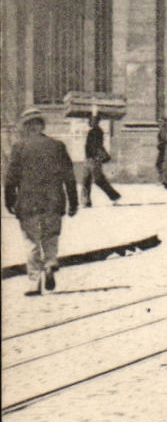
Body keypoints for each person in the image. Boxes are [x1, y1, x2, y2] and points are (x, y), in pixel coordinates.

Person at [5, 110, 78, 296]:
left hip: (28, 202)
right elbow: (69, 177)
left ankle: (34, 281)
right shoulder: (57, 146)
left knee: (31, 241)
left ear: (26, 127)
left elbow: (10, 178)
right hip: (54, 201)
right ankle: (50, 262)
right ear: (42, 126)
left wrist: (9, 200)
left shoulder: (19, 147)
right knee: (51, 236)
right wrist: (73, 202)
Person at [80, 113, 122, 206]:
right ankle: (86, 201)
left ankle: (115, 196)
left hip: (94, 159)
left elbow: (97, 146)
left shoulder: (97, 131)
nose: (89, 122)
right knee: (86, 180)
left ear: (96, 122)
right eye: (89, 120)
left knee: (98, 179)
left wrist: (98, 157)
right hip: (88, 158)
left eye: (91, 120)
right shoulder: (92, 131)